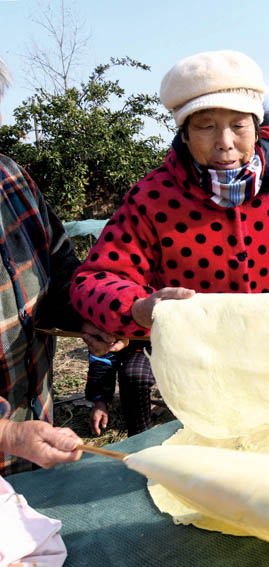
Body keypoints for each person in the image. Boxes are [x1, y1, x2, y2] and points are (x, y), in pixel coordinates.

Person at [70, 50, 269, 429]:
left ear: (258, 129)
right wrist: (137, 309)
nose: (225, 142)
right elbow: (93, 279)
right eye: (206, 127)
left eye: (238, 126)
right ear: (185, 133)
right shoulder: (153, 197)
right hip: (197, 368)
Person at [0, 57, 127, 476]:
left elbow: (61, 273)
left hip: (34, 440)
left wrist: (89, 317)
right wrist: (7, 435)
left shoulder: (11, 180)